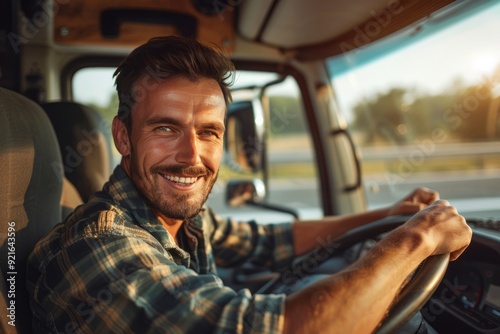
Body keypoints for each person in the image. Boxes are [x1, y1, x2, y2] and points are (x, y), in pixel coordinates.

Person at [27, 36, 472, 334]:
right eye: (165, 129)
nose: (191, 156)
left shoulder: (180, 220)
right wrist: (418, 237)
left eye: (209, 132)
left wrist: (386, 217)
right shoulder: (97, 244)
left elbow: (271, 240)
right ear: (123, 136)